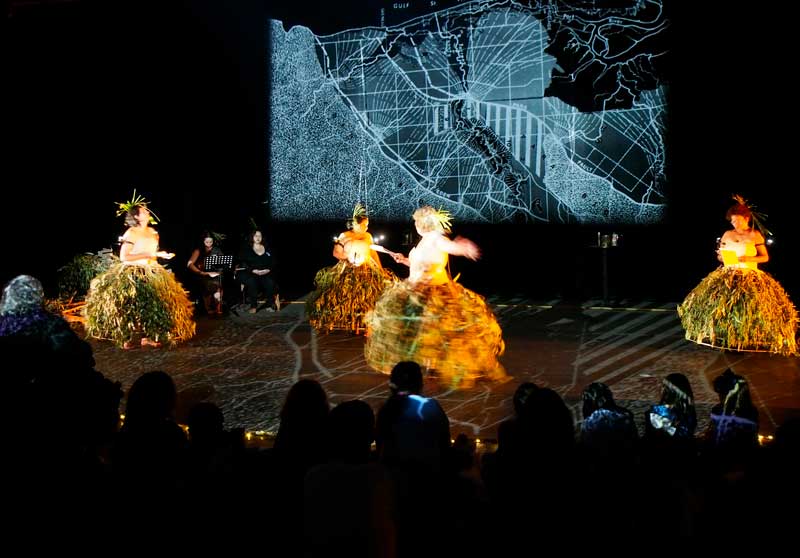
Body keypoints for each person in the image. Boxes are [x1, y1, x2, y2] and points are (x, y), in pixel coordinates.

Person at [364, 206, 506, 388]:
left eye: (417, 222)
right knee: (417, 332)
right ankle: (423, 365)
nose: (415, 225)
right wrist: (405, 260)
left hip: (433, 293)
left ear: (424, 223)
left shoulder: (437, 239)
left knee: (433, 330)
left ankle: (433, 366)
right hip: (414, 291)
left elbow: (450, 247)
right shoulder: (424, 240)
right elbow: (419, 263)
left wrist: (463, 247)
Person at [678, 194, 798, 355]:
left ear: (746, 218)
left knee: (751, 307)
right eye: (732, 221)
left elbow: (765, 257)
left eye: (737, 220)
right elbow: (720, 255)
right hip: (729, 274)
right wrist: (720, 256)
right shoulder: (728, 234)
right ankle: (726, 339)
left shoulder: (755, 235)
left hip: (750, 274)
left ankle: (748, 338)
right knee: (725, 307)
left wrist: (748, 257)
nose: (734, 223)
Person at [84, 192, 195, 349]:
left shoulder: (153, 232)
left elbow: (152, 252)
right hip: (134, 272)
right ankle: (126, 337)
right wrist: (150, 254)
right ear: (136, 217)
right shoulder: (131, 232)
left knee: (152, 304)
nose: (148, 212)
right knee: (130, 305)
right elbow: (124, 256)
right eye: (144, 211)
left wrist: (159, 255)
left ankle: (147, 337)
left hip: (151, 270)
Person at [306, 203, 397, 333]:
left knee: (369, 295)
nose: (366, 227)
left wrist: (380, 269)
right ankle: (343, 321)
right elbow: (336, 253)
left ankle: (368, 325)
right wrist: (349, 258)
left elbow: (373, 252)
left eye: (367, 225)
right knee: (343, 295)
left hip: (366, 268)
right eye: (364, 225)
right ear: (356, 224)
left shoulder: (368, 236)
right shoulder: (345, 235)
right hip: (347, 269)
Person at [236, 229, 279, 314]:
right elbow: (244, 263)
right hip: (252, 273)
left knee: (270, 282)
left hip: (266, 272)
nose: (258, 238)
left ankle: (271, 304)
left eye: (260, 236)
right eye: (256, 236)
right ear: (252, 237)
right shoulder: (247, 249)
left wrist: (268, 269)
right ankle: (253, 306)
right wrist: (253, 270)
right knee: (252, 282)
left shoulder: (267, 248)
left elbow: (273, 261)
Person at [187, 231, 225, 315]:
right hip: (203, 274)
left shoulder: (217, 250)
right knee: (208, 284)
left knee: (219, 282)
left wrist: (220, 269)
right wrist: (200, 272)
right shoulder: (199, 251)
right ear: (203, 241)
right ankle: (209, 308)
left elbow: (223, 262)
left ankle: (218, 307)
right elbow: (189, 264)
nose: (209, 243)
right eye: (207, 242)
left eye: (211, 242)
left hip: (216, 273)